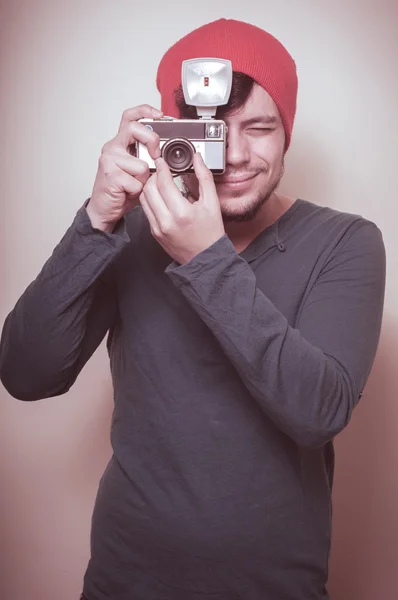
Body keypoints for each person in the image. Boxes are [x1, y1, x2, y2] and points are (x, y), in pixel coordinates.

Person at [0, 18, 386, 600]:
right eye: (209, 130)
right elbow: (26, 375)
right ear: (169, 132)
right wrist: (96, 221)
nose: (232, 155)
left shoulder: (345, 241)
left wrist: (205, 258)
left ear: (288, 132)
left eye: (259, 127)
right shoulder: (131, 230)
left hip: (273, 586)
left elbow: (318, 411)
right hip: (123, 580)